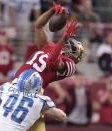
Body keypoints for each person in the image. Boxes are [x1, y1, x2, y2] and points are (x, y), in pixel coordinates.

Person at [14, 2, 84, 131]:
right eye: (68, 45)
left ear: (76, 57)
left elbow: (52, 61)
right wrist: (52, 11)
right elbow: (38, 25)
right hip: (19, 84)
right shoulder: (50, 46)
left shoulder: (70, 65)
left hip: (32, 93)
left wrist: (62, 39)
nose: (68, 47)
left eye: (73, 49)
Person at [0, 69, 67, 131]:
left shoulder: (7, 90)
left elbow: (0, 89)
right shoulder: (39, 102)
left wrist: (14, 97)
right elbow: (62, 116)